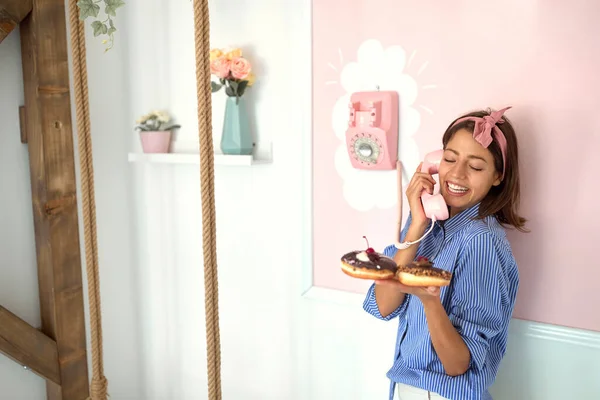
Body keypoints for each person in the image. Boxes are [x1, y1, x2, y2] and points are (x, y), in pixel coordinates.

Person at [363, 107, 527, 400]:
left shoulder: (480, 242)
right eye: (450, 159)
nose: (457, 174)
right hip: (407, 388)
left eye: (476, 167)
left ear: (497, 176)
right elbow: (382, 306)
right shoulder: (426, 228)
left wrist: (430, 302)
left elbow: (459, 364)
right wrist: (415, 226)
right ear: (435, 162)